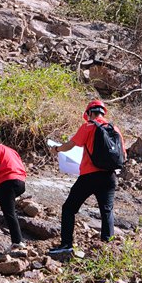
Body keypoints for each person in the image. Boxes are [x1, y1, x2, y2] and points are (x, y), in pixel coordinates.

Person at [49, 100, 126, 255]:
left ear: (90, 113)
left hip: (90, 175)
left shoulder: (89, 126)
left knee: (69, 208)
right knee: (107, 211)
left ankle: (66, 244)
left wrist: (56, 149)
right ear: (103, 112)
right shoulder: (115, 129)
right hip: (110, 176)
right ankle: (107, 248)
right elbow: (123, 154)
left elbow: (71, 145)